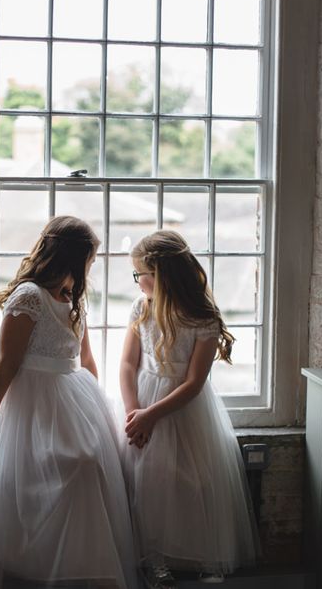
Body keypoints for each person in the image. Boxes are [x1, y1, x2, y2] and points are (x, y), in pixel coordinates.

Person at [0, 215, 139, 589]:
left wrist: (96, 411)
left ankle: (85, 571)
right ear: (71, 256)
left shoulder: (74, 299)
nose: (90, 267)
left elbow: (86, 359)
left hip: (74, 396)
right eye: (89, 258)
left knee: (91, 467)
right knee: (58, 474)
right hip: (35, 402)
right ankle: (42, 570)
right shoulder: (29, 297)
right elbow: (7, 362)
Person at [119, 230, 260, 588]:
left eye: (140, 275)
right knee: (148, 481)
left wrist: (153, 414)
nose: (137, 282)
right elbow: (127, 365)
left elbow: (195, 382)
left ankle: (202, 554)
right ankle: (155, 558)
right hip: (144, 400)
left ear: (161, 275)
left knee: (195, 481)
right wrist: (136, 413)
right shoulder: (142, 308)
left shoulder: (202, 317)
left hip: (183, 405)